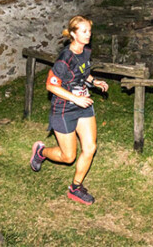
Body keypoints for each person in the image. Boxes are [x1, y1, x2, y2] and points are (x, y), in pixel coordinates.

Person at [31, 15, 109, 205]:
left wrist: (94, 81)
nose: (88, 34)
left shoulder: (85, 50)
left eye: (89, 31)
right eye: (84, 31)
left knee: (90, 148)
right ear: (74, 34)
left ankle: (75, 187)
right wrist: (75, 99)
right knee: (68, 156)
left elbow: (82, 71)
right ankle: (41, 152)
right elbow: (51, 85)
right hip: (64, 108)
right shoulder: (64, 58)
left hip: (83, 105)